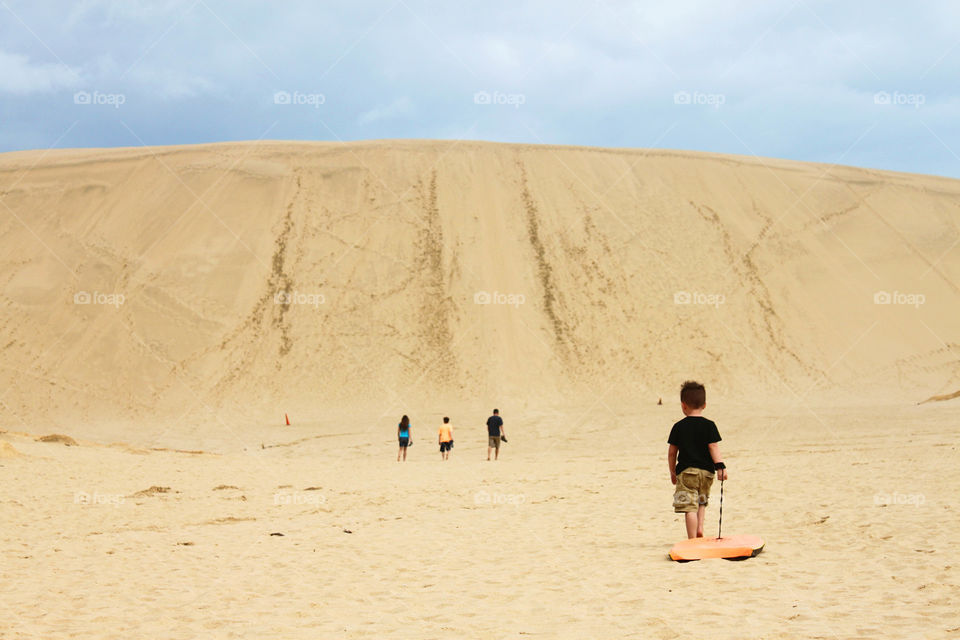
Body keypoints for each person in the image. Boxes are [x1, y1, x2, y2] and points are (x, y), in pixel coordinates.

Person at [667, 381, 728, 539]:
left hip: (687, 473)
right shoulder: (709, 425)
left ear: (683, 405)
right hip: (707, 474)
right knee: (701, 501)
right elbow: (713, 446)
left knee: (689, 507)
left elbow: (672, 453)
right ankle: (700, 528)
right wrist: (721, 467)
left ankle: (692, 539)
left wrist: (673, 471)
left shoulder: (678, 427)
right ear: (705, 405)